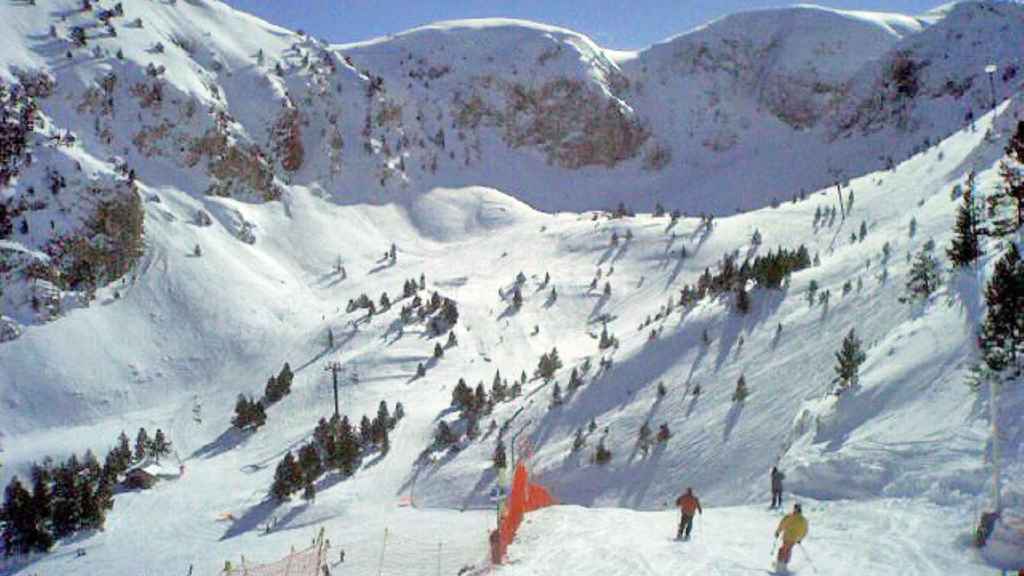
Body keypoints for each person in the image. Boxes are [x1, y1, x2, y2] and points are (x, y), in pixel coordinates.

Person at [774, 503, 808, 573]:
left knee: (783, 549)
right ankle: (783, 565)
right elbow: (804, 530)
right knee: (787, 549)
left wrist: (778, 531)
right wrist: (800, 538)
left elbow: (782, 524)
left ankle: (780, 565)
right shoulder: (803, 519)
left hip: (787, 536)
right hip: (793, 538)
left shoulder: (790, 516)